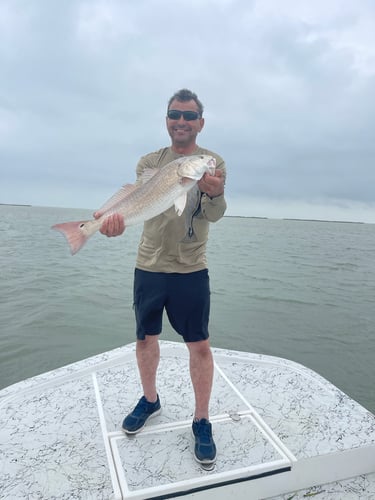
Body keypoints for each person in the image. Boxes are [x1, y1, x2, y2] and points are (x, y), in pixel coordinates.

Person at [97, 89, 226, 466]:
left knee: (199, 345)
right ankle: (150, 400)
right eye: (175, 115)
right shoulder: (151, 161)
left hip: (190, 267)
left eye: (189, 116)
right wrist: (108, 220)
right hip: (149, 265)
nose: (181, 122)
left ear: (200, 123)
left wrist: (215, 193)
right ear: (167, 120)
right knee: (144, 339)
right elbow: (141, 201)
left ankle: (202, 420)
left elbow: (214, 215)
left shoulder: (212, 163)